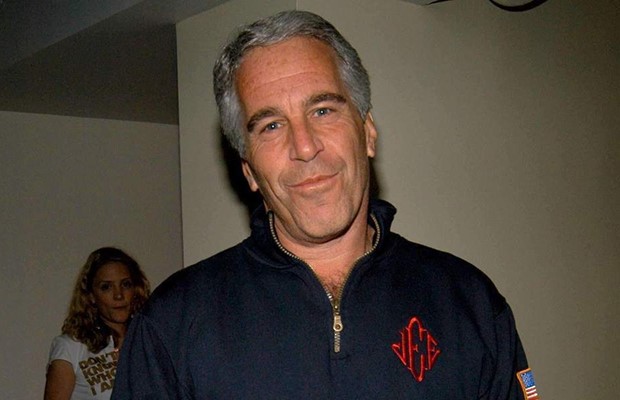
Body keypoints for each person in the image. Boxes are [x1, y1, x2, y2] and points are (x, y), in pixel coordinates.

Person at [112, 10, 538, 400]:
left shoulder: (469, 302)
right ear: (249, 170)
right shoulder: (172, 326)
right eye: (271, 125)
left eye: (322, 111)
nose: (304, 147)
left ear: (367, 133)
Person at [44, 247, 150, 400]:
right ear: (91, 296)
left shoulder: (149, 342)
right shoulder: (71, 347)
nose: (118, 295)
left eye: (125, 284)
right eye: (106, 287)